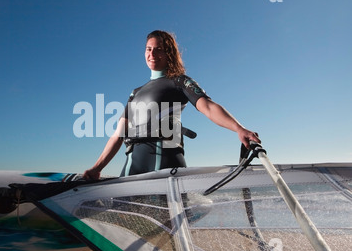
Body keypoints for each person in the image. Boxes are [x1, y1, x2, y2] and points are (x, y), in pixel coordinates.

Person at [83, 30, 260, 180]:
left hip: (165, 162)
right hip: (132, 165)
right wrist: (97, 168)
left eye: (158, 50)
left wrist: (238, 128)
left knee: (166, 220)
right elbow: (118, 135)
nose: (152, 54)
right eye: (148, 49)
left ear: (169, 53)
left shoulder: (179, 81)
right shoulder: (135, 92)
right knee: (123, 216)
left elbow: (208, 107)